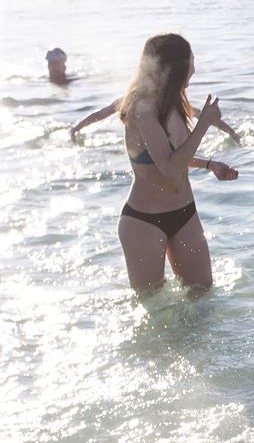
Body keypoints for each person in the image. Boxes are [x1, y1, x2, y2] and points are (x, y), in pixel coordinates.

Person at [117, 33, 239, 294]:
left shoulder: (174, 103)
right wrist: (204, 123)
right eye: (190, 62)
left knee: (203, 296)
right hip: (144, 221)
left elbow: (173, 157)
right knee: (154, 307)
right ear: (174, 67)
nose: (193, 68)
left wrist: (209, 165)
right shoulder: (143, 109)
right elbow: (169, 167)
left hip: (185, 213)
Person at [70, 97, 241, 145]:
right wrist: (76, 128)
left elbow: (201, 116)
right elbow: (101, 114)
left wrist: (232, 132)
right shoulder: (129, 99)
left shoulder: (171, 102)